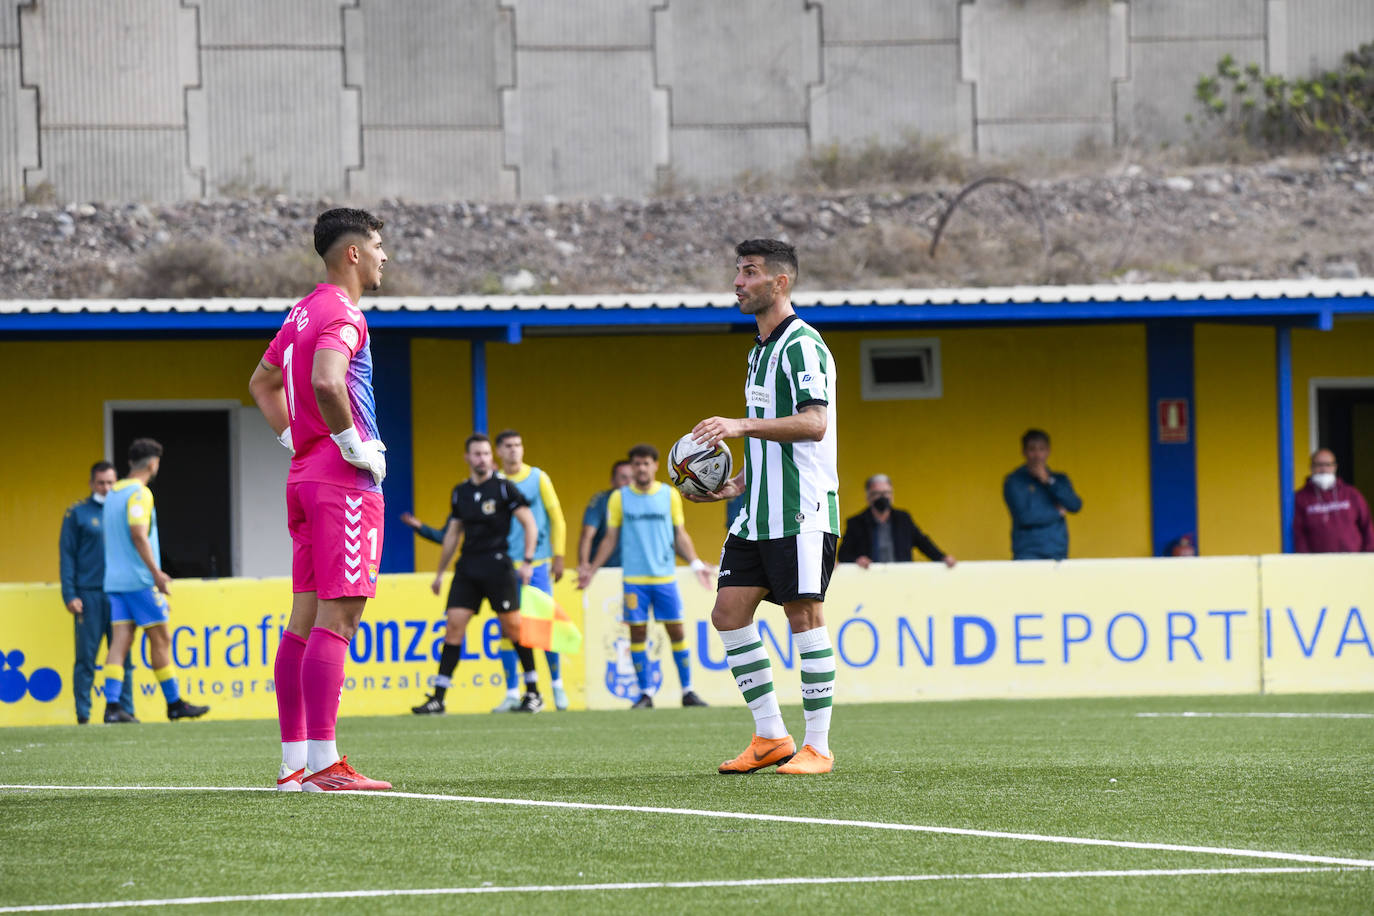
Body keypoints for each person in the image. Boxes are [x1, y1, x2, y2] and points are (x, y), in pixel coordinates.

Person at [248, 207, 391, 792]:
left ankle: (294, 766)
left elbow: (261, 381)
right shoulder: (344, 312)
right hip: (340, 480)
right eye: (379, 246)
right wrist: (354, 444)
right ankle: (327, 765)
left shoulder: (302, 310)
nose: (385, 257)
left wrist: (293, 436)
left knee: (302, 622)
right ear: (353, 253)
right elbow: (328, 381)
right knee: (342, 615)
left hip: (305, 474)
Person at [687, 238, 839, 776]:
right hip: (758, 509)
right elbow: (779, 440)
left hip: (802, 509)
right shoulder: (758, 351)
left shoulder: (802, 345)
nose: (737, 281)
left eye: (749, 272)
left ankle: (817, 746)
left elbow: (814, 424)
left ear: (780, 283)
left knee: (804, 616)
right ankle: (772, 735)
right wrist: (738, 484)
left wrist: (740, 425)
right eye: (736, 270)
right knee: (728, 612)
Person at [410, 434, 542, 714]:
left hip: (498, 566)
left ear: (490, 458)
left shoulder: (505, 489)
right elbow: (452, 535)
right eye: (476, 454)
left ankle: (533, 693)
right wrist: (439, 573)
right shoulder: (460, 492)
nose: (481, 458)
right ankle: (438, 698)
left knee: (513, 628)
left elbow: (530, 523)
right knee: (454, 627)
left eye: (485, 454)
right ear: (468, 458)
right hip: (468, 567)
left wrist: (528, 561)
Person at [578, 443, 713, 709]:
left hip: (665, 577)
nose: (641, 468)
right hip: (634, 582)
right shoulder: (620, 498)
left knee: (676, 630)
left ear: (655, 466)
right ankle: (646, 693)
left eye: (646, 463)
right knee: (637, 634)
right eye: (636, 464)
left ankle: (687, 690)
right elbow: (610, 538)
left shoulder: (669, 495)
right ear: (632, 467)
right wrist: (591, 569)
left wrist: (696, 562)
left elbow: (680, 534)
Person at [99, 439, 209, 725]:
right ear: (152, 463)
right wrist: (156, 574)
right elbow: (138, 533)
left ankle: (112, 707)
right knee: (161, 638)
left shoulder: (112, 494)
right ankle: (174, 704)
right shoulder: (140, 493)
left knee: (121, 640)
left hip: (115, 580)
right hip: (139, 580)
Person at [490, 429, 570, 712]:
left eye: (518, 445)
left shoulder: (538, 477)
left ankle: (557, 686)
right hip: (504, 565)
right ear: (499, 451)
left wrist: (558, 555)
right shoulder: (495, 482)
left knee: (544, 625)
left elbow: (556, 517)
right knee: (509, 629)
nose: (514, 450)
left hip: (537, 562)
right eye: (508, 446)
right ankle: (512, 692)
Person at [60, 460, 135, 724]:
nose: (106, 487)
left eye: (111, 482)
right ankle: (83, 714)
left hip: (118, 594)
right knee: (86, 659)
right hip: (89, 595)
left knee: (123, 655)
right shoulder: (77, 514)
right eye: (101, 483)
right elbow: (67, 556)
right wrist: (70, 594)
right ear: (92, 483)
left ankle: (124, 710)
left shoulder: (123, 511)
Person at [837, 474, 957, 568]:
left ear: (892, 495)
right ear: (868, 497)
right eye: (877, 493)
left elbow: (923, 543)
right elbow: (843, 555)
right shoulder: (856, 523)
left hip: (900, 579)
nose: (883, 497)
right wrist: (857, 560)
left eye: (886, 493)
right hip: (870, 580)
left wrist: (942, 558)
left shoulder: (903, 519)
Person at [1003, 428, 1082, 560]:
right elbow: (1025, 517)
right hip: (1027, 553)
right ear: (1024, 452)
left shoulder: (1059, 479)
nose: (1037, 455)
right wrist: (1056, 513)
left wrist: (1049, 481)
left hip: (1058, 552)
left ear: (1048, 451)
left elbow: (1075, 505)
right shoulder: (1014, 481)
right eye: (1032, 449)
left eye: (1042, 449)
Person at [1293, 448, 1374, 553]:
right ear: (1311, 467)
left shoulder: (1351, 494)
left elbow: (1367, 525)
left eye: (1328, 464)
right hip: (1319, 563)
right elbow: (1299, 534)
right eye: (1319, 465)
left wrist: (1369, 554)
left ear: (1335, 467)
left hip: (1353, 560)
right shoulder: (1301, 497)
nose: (1324, 469)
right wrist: (1305, 560)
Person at [578, 460, 633, 571]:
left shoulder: (642, 500)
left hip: (636, 570)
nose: (629, 482)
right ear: (612, 481)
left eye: (632, 477)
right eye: (623, 478)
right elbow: (587, 534)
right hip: (604, 570)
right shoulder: (601, 501)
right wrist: (584, 564)